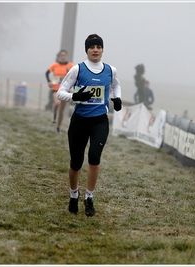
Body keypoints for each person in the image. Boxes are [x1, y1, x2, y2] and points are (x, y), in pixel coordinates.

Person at [57, 34, 122, 217]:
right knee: (76, 163)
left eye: (98, 47)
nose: (95, 50)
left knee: (94, 157)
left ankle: (89, 197)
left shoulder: (110, 70)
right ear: (86, 50)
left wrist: (117, 99)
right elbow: (60, 92)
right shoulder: (78, 69)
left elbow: (116, 86)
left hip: (100, 121)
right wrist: (74, 97)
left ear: (102, 50)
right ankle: (73, 194)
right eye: (92, 47)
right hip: (79, 120)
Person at [45, 49, 74, 132]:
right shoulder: (55, 65)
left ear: (67, 56)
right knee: (57, 103)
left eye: (64, 55)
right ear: (59, 57)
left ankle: (58, 127)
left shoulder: (70, 65)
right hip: (55, 88)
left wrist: (69, 72)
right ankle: (54, 115)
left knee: (61, 111)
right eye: (61, 55)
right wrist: (49, 81)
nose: (63, 57)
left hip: (65, 90)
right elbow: (47, 73)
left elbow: (75, 76)